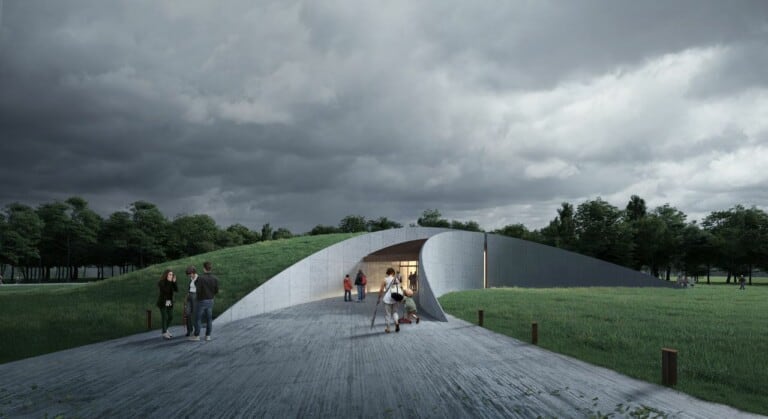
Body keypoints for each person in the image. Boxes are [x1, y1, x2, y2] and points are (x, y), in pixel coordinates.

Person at [189, 261, 219, 342]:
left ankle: (197, 336)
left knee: (197, 319)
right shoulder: (215, 278)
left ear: (204, 268)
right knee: (209, 319)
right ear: (210, 268)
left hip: (201, 301)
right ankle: (208, 336)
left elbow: (198, 290)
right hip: (210, 301)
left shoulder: (201, 278)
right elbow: (216, 291)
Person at [156, 269, 178, 340]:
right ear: (166, 275)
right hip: (162, 302)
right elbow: (166, 291)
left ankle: (165, 329)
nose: (171, 276)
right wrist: (169, 282)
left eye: (172, 275)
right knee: (164, 317)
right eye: (169, 274)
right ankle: (164, 332)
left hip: (169, 302)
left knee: (170, 316)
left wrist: (174, 282)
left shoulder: (171, 282)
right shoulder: (161, 282)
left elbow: (176, 290)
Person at [378, 267, 400, 333]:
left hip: (387, 298)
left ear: (388, 273)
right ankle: (396, 322)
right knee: (395, 312)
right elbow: (400, 288)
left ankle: (388, 328)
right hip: (395, 298)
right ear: (393, 273)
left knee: (388, 314)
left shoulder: (385, 280)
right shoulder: (396, 279)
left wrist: (379, 298)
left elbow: (381, 290)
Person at [183, 266, 198, 336]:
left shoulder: (198, 279)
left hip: (195, 296)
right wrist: (186, 297)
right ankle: (189, 330)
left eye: (189, 274)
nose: (189, 276)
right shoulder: (191, 279)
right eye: (188, 275)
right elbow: (189, 289)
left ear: (193, 273)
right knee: (187, 313)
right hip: (189, 296)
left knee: (194, 314)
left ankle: (196, 330)